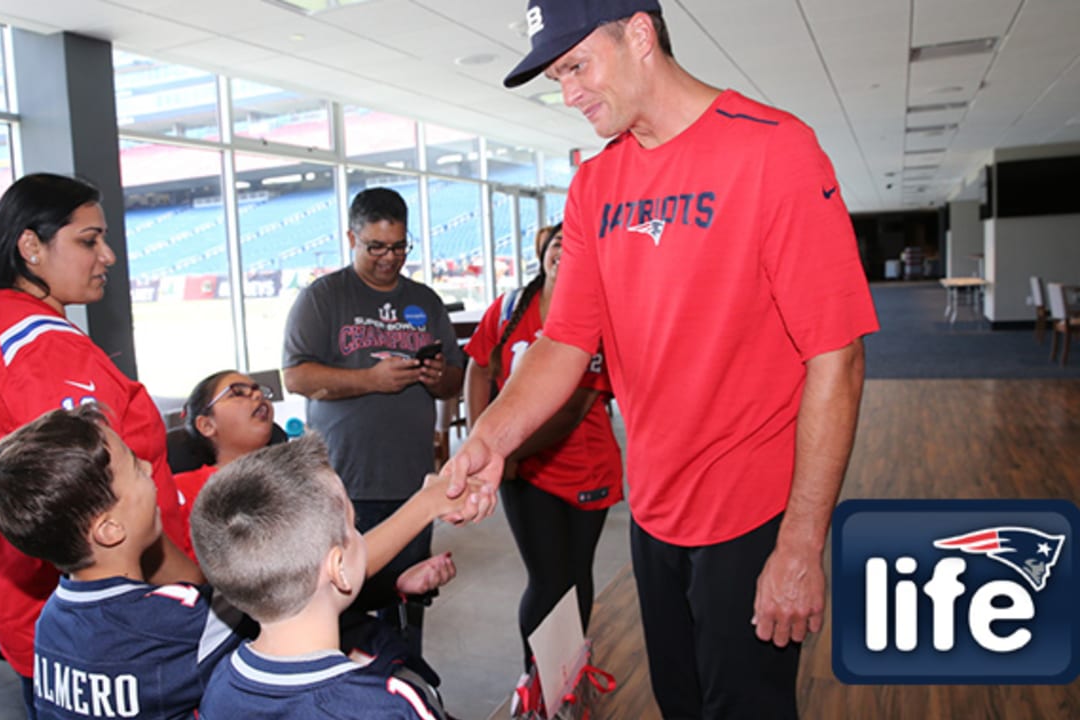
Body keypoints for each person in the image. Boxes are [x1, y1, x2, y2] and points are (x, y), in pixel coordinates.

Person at [444, 2, 879, 718]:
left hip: (753, 514)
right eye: (558, 76)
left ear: (640, 35)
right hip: (654, 510)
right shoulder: (594, 187)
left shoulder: (774, 150)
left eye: (577, 66)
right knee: (680, 704)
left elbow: (838, 358)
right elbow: (563, 343)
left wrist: (801, 544)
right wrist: (489, 437)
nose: (570, 93)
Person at [0, 173, 199, 717]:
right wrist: (204, 590)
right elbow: (95, 508)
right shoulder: (43, 351)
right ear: (30, 246)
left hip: (45, 616)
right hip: (118, 624)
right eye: (88, 240)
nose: (109, 256)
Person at [0, 405, 244, 720]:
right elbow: (270, 607)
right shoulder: (180, 621)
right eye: (134, 467)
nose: (147, 466)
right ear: (110, 529)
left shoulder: (50, 621)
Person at [283, 187, 463, 646]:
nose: (389, 258)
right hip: (343, 487)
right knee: (344, 615)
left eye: (399, 247)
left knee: (406, 613)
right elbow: (297, 377)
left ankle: (404, 699)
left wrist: (437, 375)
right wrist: (372, 380)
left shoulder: (425, 299)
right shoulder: (323, 297)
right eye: (376, 247)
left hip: (411, 486)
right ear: (351, 238)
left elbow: (454, 383)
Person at [192, 435, 449, 720]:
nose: (360, 534)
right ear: (338, 568)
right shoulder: (389, 707)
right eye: (354, 525)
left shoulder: (220, 684)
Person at [463, 222, 623, 671]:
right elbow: (479, 365)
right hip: (524, 474)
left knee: (575, 578)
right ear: (543, 252)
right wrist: (483, 435)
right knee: (547, 578)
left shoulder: (598, 316)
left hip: (584, 469)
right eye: (557, 244)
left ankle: (566, 675)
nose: (562, 253)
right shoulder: (513, 306)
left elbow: (571, 411)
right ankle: (537, 683)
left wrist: (504, 452)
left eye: (574, 247)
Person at [174, 368, 460, 607]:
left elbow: (327, 577)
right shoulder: (183, 492)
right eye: (237, 393)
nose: (257, 394)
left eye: (257, 389)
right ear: (206, 424)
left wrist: (396, 584)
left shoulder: (297, 484)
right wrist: (427, 503)